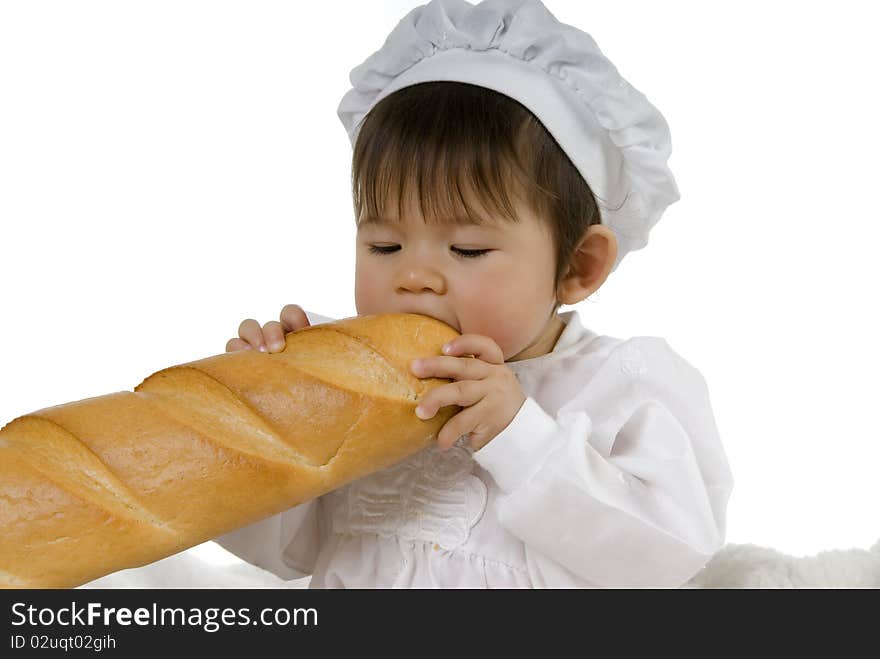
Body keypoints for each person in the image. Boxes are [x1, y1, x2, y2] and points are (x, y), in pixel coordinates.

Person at [214, 0, 733, 588]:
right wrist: (265, 417)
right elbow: (283, 551)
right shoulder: (346, 378)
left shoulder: (620, 386)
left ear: (578, 266)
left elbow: (667, 557)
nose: (414, 278)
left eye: (466, 250)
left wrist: (520, 435)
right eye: (385, 246)